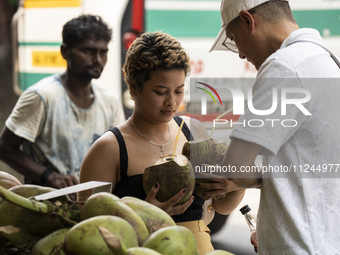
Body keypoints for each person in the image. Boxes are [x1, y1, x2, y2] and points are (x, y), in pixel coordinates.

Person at [78, 31, 245, 255]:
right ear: (133, 86)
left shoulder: (193, 131)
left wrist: (236, 185)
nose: (172, 102)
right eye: (161, 91)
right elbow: (86, 232)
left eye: (179, 90)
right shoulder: (109, 149)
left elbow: (217, 208)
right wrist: (144, 217)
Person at [210, 0, 340, 254]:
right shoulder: (328, 62)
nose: (240, 54)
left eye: (234, 38)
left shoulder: (283, 65)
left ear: (248, 20)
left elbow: (234, 168)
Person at [0, 15, 125, 191]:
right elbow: (5, 148)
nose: (97, 59)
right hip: (45, 207)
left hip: (93, 203)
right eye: (88, 51)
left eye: (103, 52)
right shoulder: (42, 96)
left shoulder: (110, 100)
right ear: (65, 52)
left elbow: (117, 154)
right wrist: (48, 176)